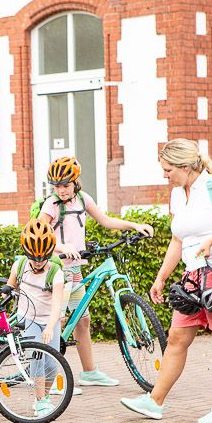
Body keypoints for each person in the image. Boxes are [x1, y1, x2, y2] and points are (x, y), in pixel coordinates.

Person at [120, 138, 212, 423]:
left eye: (168, 170)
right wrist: (161, 277)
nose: (164, 175)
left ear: (184, 166)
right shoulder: (178, 195)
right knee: (177, 337)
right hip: (192, 276)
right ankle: (154, 401)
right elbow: (177, 240)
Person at [38, 156, 154, 393]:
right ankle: (50, 380)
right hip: (57, 271)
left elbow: (106, 220)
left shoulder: (82, 199)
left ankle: (89, 372)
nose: (61, 190)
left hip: (76, 271)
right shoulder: (51, 205)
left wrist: (134, 226)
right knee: (56, 322)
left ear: (75, 182)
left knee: (83, 320)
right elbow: (39, 233)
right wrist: (61, 248)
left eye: (65, 185)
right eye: (57, 186)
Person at [4, 218, 66, 416]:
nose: (38, 262)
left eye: (42, 258)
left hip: (49, 320)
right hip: (28, 319)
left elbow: (57, 303)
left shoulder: (56, 273)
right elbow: (10, 286)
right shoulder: (20, 265)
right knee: (37, 358)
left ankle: (45, 396)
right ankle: (40, 401)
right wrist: (4, 297)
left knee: (52, 362)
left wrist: (50, 326)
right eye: (34, 258)